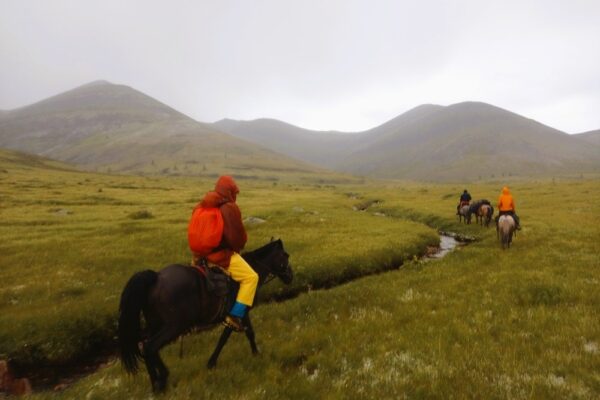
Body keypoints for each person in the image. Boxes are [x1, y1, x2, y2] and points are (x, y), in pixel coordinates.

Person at [190, 176, 258, 332]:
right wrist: (239, 245)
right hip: (220, 257)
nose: (235, 196)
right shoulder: (229, 208)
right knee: (251, 278)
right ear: (229, 192)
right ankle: (234, 316)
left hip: (200, 255)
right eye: (234, 192)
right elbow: (237, 238)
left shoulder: (202, 204)